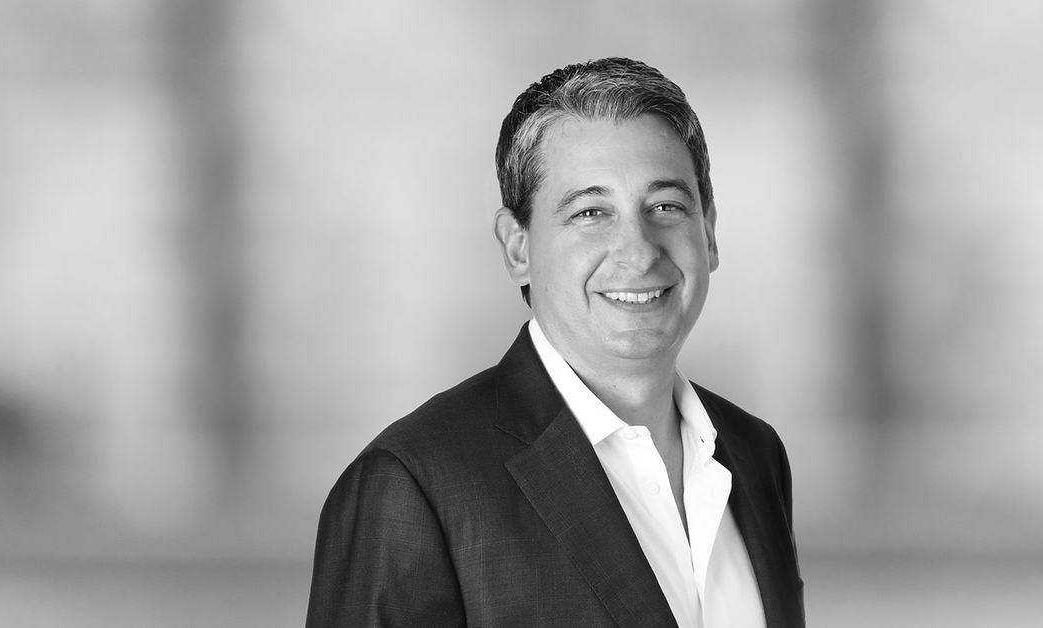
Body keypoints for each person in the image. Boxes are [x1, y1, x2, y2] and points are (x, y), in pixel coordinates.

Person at [306, 57, 805, 628]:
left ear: (709, 233)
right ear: (517, 247)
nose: (638, 252)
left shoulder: (754, 454)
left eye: (665, 207)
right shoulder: (413, 486)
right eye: (591, 212)